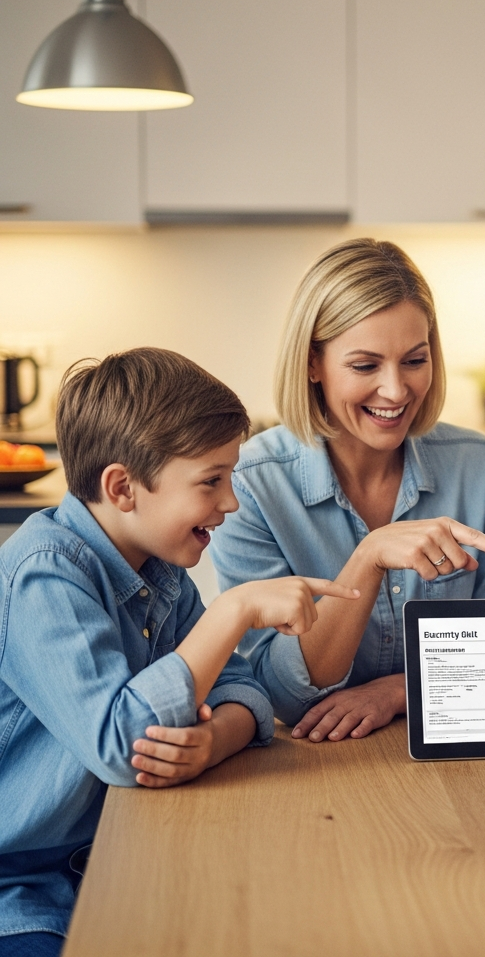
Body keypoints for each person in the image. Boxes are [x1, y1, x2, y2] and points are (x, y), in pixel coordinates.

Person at [0, 349, 356, 955]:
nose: (231, 503)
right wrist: (233, 609)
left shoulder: (160, 575)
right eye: (210, 481)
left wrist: (210, 743)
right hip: (24, 888)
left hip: (117, 850)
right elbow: (122, 745)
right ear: (123, 488)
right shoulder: (45, 575)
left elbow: (245, 690)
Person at [209, 239, 485, 743]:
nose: (396, 391)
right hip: (312, 766)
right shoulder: (251, 484)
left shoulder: (478, 465)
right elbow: (282, 694)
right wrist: (369, 556)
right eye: (365, 366)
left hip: (454, 750)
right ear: (313, 364)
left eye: (414, 360)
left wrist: (398, 693)